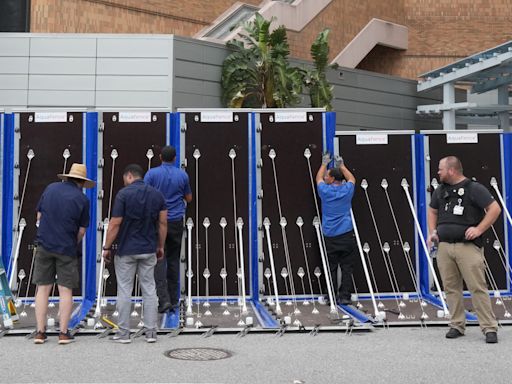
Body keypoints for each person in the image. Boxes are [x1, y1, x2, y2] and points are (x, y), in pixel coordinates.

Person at [428, 156, 501, 344]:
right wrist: (433, 231)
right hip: (444, 246)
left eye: (440, 169)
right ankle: (457, 325)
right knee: (451, 288)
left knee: (477, 287)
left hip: (467, 247)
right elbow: (432, 210)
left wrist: (479, 229)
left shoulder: (474, 188)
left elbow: (494, 209)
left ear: (451, 170)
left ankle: (489, 328)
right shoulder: (439, 190)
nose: (438, 172)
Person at [102, 164, 167, 344]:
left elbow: (115, 223)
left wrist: (107, 246)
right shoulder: (157, 195)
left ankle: (124, 333)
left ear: (129, 176)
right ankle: (151, 332)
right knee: (149, 289)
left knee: (124, 290)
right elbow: (163, 224)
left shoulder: (123, 195)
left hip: (126, 250)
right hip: (148, 249)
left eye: (124, 179)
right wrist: (160, 245)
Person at [33, 163, 95, 344]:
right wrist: (71, 241)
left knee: (43, 288)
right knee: (65, 290)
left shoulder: (50, 188)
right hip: (66, 248)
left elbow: (39, 216)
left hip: (44, 245)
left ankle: (40, 332)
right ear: (82, 183)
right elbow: (82, 231)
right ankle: (63, 333)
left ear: (67, 177)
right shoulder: (82, 200)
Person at [144, 145, 192, 313]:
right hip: (176, 221)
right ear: (175, 158)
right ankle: (173, 300)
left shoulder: (151, 174)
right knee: (173, 261)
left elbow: (145, 195)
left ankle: (162, 300)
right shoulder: (182, 175)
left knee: (158, 258)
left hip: (157, 222)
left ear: (159, 157)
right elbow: (189, 197)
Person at [316, 153, 356, 305]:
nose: (325, 177)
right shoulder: (347, 189)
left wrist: (323, 164)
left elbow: (318, 179)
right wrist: (342, 166)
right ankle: (345, 296)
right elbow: (352, 179)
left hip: (330, 235)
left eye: (328, 176)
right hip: (346, 234)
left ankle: (331, 296)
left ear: (332, 179)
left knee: (330, 267)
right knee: (347, 267)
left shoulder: (325, 192)